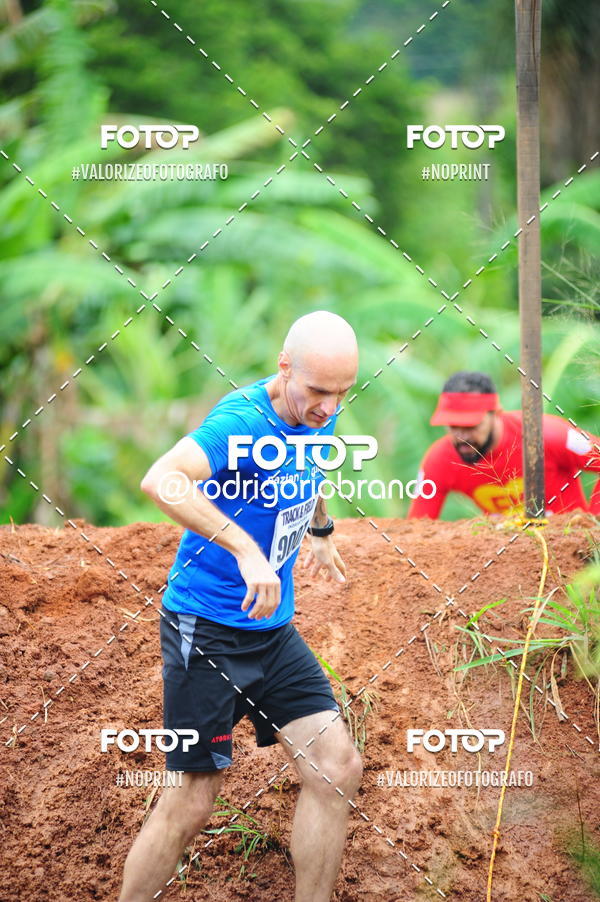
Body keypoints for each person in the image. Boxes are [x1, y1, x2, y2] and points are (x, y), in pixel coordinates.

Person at [118, 311, 363, 902]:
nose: (330, 407)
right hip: (204, 630)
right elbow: (161, 480)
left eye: (343, 392)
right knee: (192, 798)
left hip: (271, 634)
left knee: (336, 767)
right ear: (285, 368)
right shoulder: (239, 422)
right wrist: (247, 551)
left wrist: (321, 528)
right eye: (319, 391)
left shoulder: (317, 411)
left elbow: (311, 458)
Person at [408, 371, 600, 519]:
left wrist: (593, 524)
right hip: (506, 553)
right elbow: (417, 527)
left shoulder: (548, 435)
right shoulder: (440, 460)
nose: (462, 437)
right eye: (453, 426)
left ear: (496, 413)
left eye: (471, 426)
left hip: (569, 550)